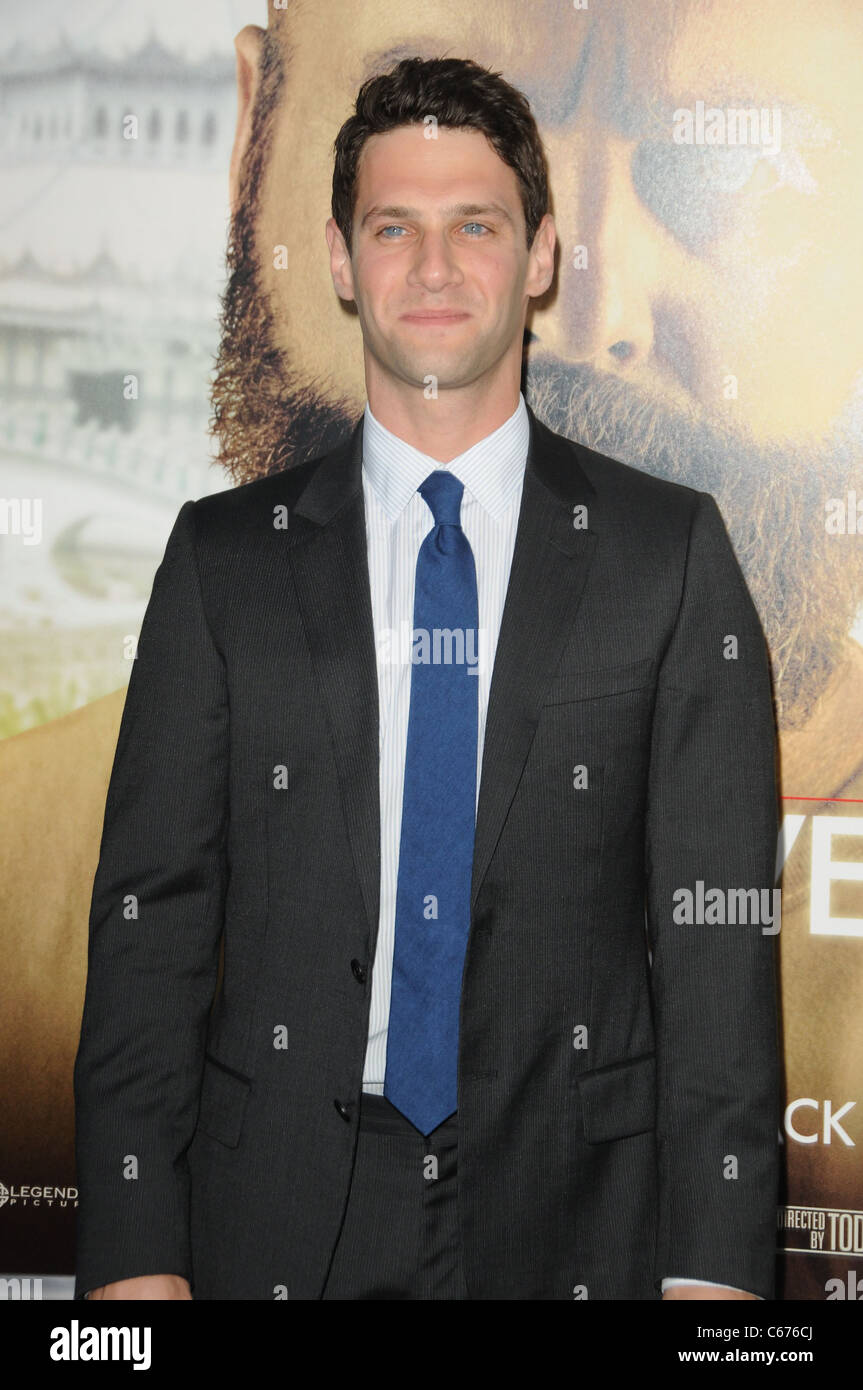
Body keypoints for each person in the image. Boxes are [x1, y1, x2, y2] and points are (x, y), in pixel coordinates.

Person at [73, 53, 781, 1301]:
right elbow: (149, 941)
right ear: (341, 261)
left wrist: (715, 1290)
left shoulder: (667, 559)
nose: (436, 266)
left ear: (542, 256)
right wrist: (134, 1272)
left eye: (477, 225)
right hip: (272, 1225)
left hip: (580, 1231)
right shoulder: (221, 564)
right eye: (392, 227)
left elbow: (718, 961)